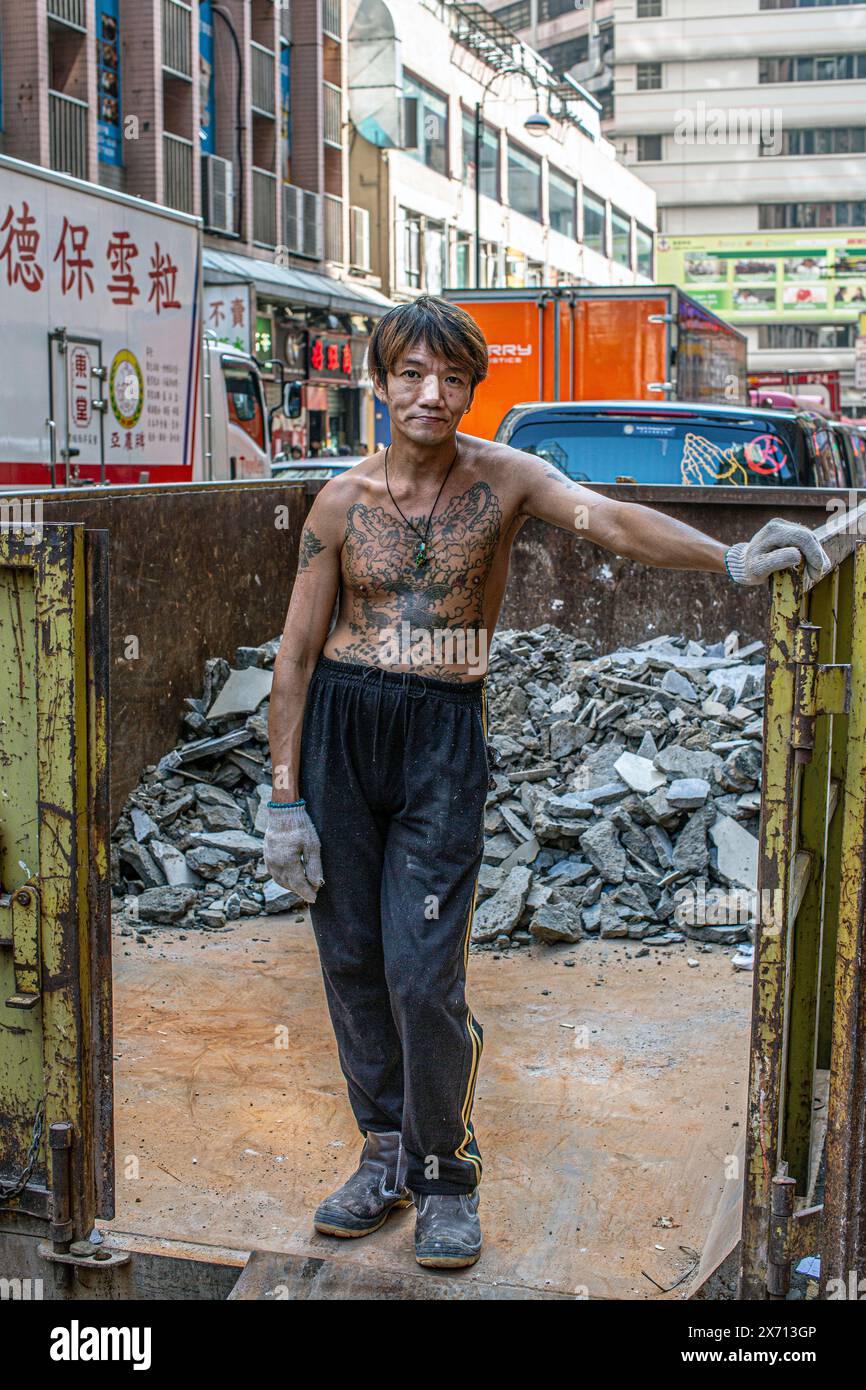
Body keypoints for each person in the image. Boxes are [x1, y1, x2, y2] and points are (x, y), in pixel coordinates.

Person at [264, 295, 831, 1271]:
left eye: (451, 376)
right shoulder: (338, 502)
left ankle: (445, 1171)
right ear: (379, 380)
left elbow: (607, 516)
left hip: (440, 737)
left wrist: (728, 555)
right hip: (339, 734)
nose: (430, 393)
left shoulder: (506, 477)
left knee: (420, 970)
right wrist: (280, 799)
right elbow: (291, 658)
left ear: (473, 387)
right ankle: (386, 1148)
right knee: (352, 959)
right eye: (410, 373)